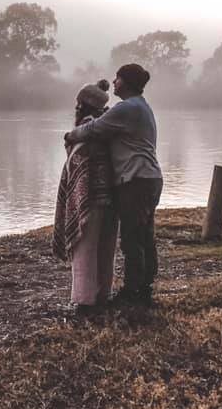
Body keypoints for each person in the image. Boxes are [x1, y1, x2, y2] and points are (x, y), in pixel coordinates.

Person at [64, 63, 163, 307]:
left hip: (135, 180)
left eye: (117, 78)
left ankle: (132, 291)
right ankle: (144, 286)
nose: (114, 82)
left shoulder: (127, 108)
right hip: (150, 178)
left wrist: (70, 135)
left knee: (131, 237)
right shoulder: (140, 107)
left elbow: (93, 129)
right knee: (144, 235)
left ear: (126, 82)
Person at [53, 79, 118, 317]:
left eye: (79, 103)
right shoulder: (108, 125)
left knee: (85, 248)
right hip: (110, 194)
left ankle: (85, 300)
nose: (76, 108)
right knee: (105, 247)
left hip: (90, 197)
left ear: (84, 105)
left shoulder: (89, 127)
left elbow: (82, 161)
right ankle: (102, 294)